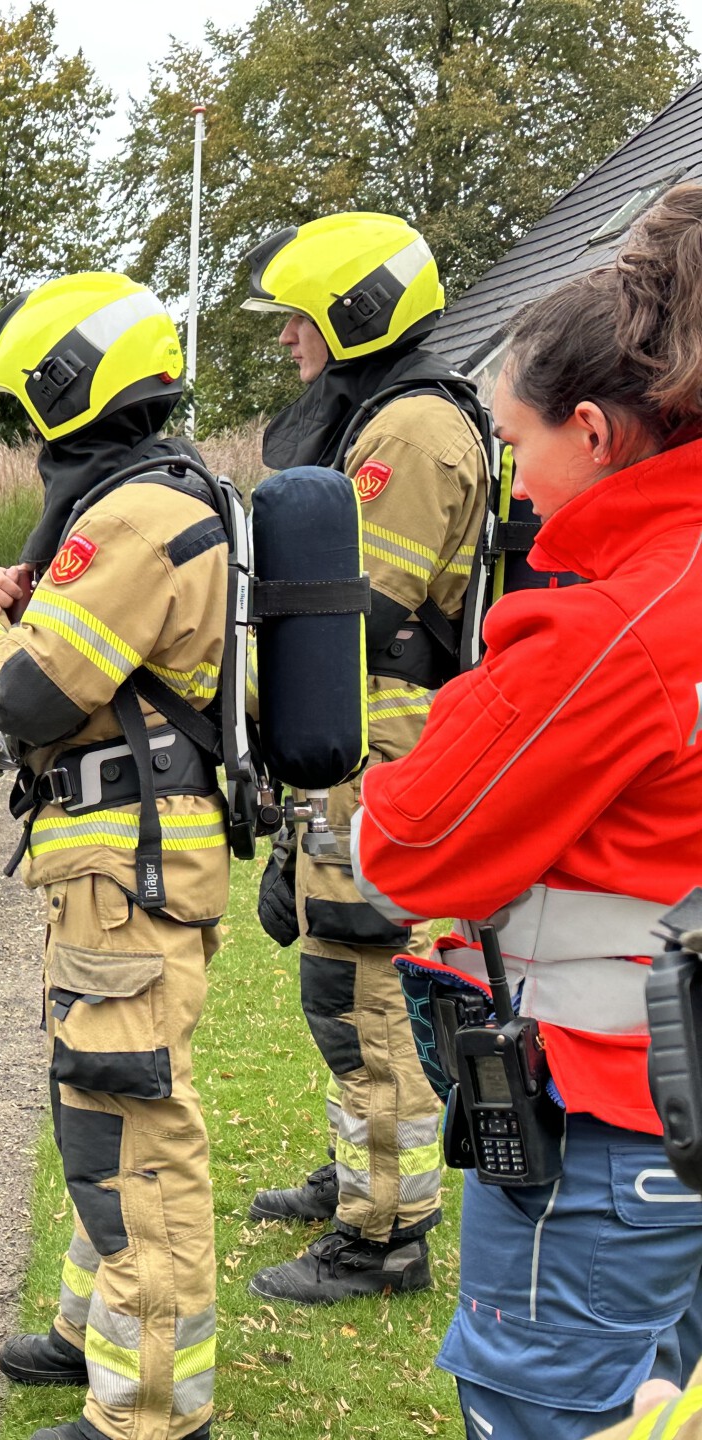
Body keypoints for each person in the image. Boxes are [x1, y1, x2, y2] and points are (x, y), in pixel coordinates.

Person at [352, 184, 702, 1439]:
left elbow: (406, 841)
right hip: (678, 1126)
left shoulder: (616, 624)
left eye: (515, 443)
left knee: (547, 1409)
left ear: (594, 433)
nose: (513, 480)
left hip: (609, 1134)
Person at [0, 274, 226, 1440]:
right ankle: (90, 1334)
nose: (28, 427)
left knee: (134, 1131)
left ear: (71, 387)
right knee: (98, 1106)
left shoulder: (135, 515)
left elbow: (27, 691)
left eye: (31, 400)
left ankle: (151, 1410)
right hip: (120, 867)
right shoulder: (152, 494)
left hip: (126, 871)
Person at [237, 212, 491, 1304]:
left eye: (299, 315)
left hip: (383, 745)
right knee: (337, 973)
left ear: (355, 313)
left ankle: (385, 1234)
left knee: (363, 988)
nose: (287, 335)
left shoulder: (413, 435)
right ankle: (358, 1174)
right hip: (358, 741)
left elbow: (350, 617)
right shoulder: (389, 416)